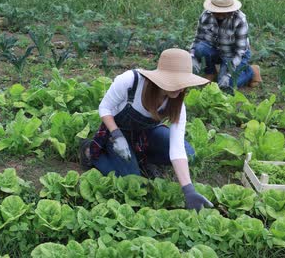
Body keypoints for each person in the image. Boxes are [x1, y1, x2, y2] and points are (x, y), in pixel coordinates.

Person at [80, 48, 213, 211]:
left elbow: (177, 148)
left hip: (145, 135)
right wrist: (116, 134)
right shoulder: (131, 81)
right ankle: (89, 152)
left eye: (183, 82)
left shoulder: (177, 104)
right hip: (116, 134)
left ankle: (140, 157)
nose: (180, 88)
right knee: (134, 180)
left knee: (188, 153)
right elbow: (105, 108)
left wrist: (188, 190)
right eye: (176, 81)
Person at [189, 0, 262, 91]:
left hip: (233, 55)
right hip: (216, 50)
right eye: (217, 11)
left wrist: (227, 75)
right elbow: (198, 39)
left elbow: (240, 52)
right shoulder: (206, 15)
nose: (220, 15)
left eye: (224, 12)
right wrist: (192, 56)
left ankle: (251, 71)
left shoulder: (239, 19)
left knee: (227, 86)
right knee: (200, 48)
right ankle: (210, 72)